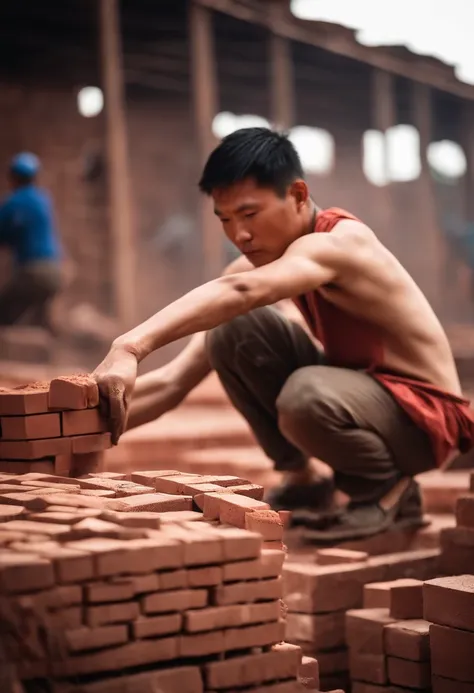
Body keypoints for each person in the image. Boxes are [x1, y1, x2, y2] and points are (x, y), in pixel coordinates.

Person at [93, 127, 474, 542]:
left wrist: (129, 346)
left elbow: (241, 291)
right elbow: (172, 383)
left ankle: (387, 493)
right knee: (231, 330)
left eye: (250, 214)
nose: (240, 235)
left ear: (297, 194)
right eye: (226, 220)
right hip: (369, 403)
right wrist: (66, 429)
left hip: (427, 422)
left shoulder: (340, 243)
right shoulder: (260, 266)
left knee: (304, 394)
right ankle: (305, 482)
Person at [0, 152, 63, 331]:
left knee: (4, 313)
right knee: (36, 322)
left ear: (12, 177)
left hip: (32, 274)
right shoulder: (43, 200)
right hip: (55, 272)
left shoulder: (13, 202)